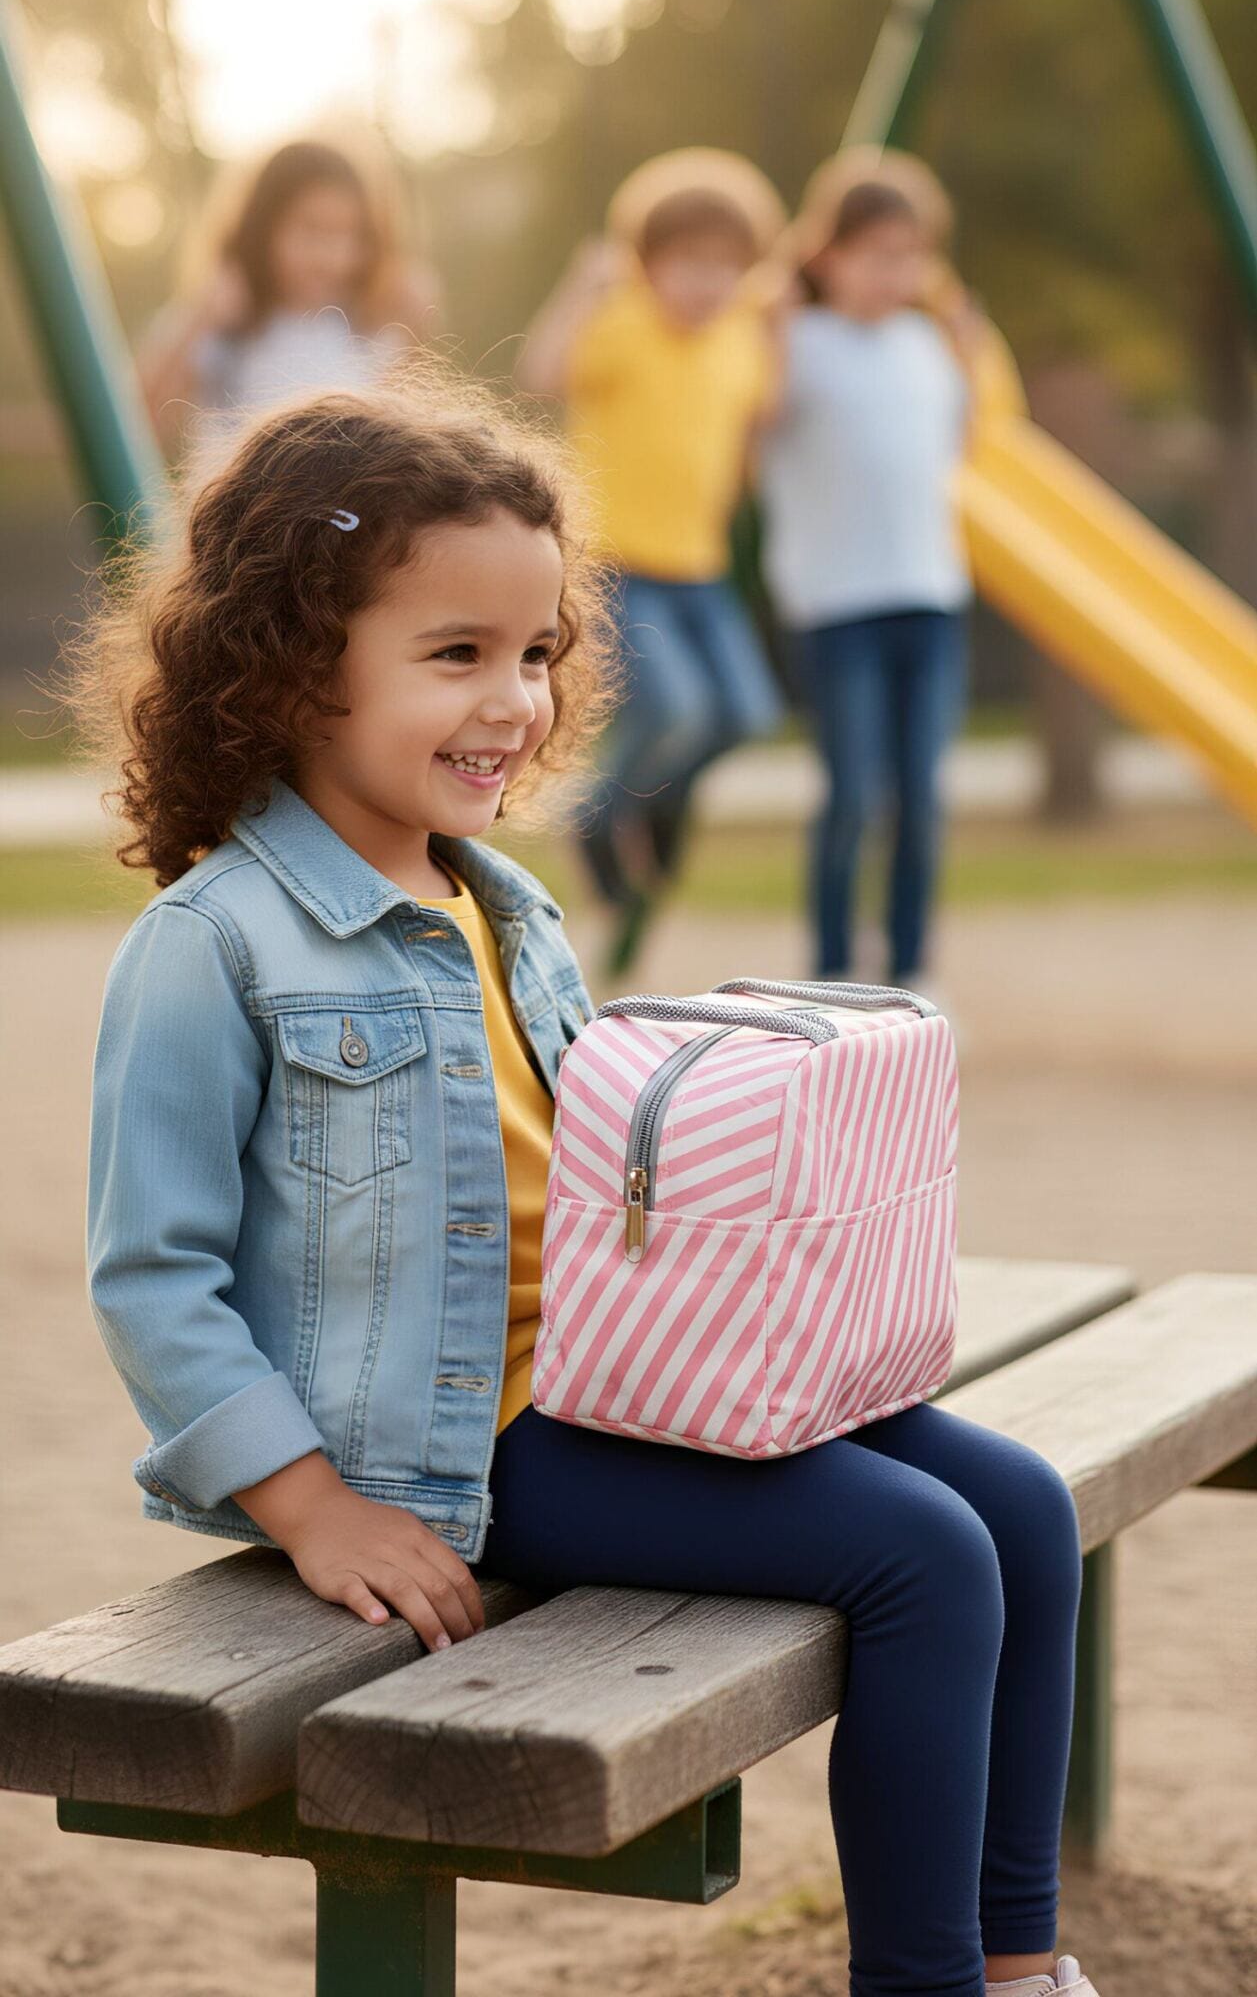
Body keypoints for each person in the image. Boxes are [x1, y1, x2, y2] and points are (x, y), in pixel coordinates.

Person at [73, 370, 1098, 1997]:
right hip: (474, 1444)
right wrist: (308, 1503)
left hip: (630, 1377)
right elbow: (155, 1276)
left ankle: (1023, 1958)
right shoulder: (214, 947)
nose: (516, 703)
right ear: (287, 668)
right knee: (925, 1558)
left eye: (536, 654)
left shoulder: (506, 901)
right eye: (456, 655)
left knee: (1025, 1511)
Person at [517, 149, 787, 977]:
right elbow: (541, 371)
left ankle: (625, 809)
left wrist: (780, 318)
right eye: (687, 266)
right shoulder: (622, 323)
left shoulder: (742, 337)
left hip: (702, 570)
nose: (706, 284)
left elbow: (760, 417)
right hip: (620, 565)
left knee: (745, 712)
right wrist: (581, 287)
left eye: (724, 268)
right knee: (674, 709)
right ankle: (597, 817)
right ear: (647, 266)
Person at [758, 159, 973, 994]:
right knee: (853, 796)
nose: (897, 272)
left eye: (912, 255)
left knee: (920, 799)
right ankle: (833, 972)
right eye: (878, 252)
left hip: (929, 596)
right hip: (833, 604)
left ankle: (912, 968)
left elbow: (963, 442)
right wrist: (773, 326)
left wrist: (967, 337)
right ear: (829, 254)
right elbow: (756, 428)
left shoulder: (925, 346)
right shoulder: (795, 342)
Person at [138, 136, 441, 468]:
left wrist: (413, 329)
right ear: (262, 230)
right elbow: (140, 428)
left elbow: (398, 445)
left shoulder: (368, 328)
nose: (333, 258)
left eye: (351, 235)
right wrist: (198, 322)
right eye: (312, 231)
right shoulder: (224, 328)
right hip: (244, 514)